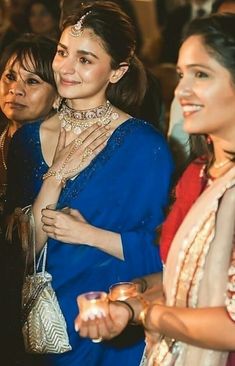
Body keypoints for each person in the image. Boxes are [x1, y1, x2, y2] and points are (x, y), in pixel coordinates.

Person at [6, 2, 173, 366]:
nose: (65, 68)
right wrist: (55, 178)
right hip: (46, 321)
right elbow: (22, 253)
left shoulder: (145, 146)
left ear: (117, 71)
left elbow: (165, 257)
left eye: (85, 59)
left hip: (113, 320)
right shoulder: (27, 140)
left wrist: (87, 234)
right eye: (63, 52)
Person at [75, 13, 235, 366]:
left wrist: (149, 315)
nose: (181, 91)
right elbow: (183, 279)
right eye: (181, 75)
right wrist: (129, 305)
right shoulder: (197, 174)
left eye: (201, 74)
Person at [0, 32, 58, 366]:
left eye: (32, 81)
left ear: (57, 96)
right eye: (10, 76)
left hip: (31, 292)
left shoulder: (58, 156)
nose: (15, 88)